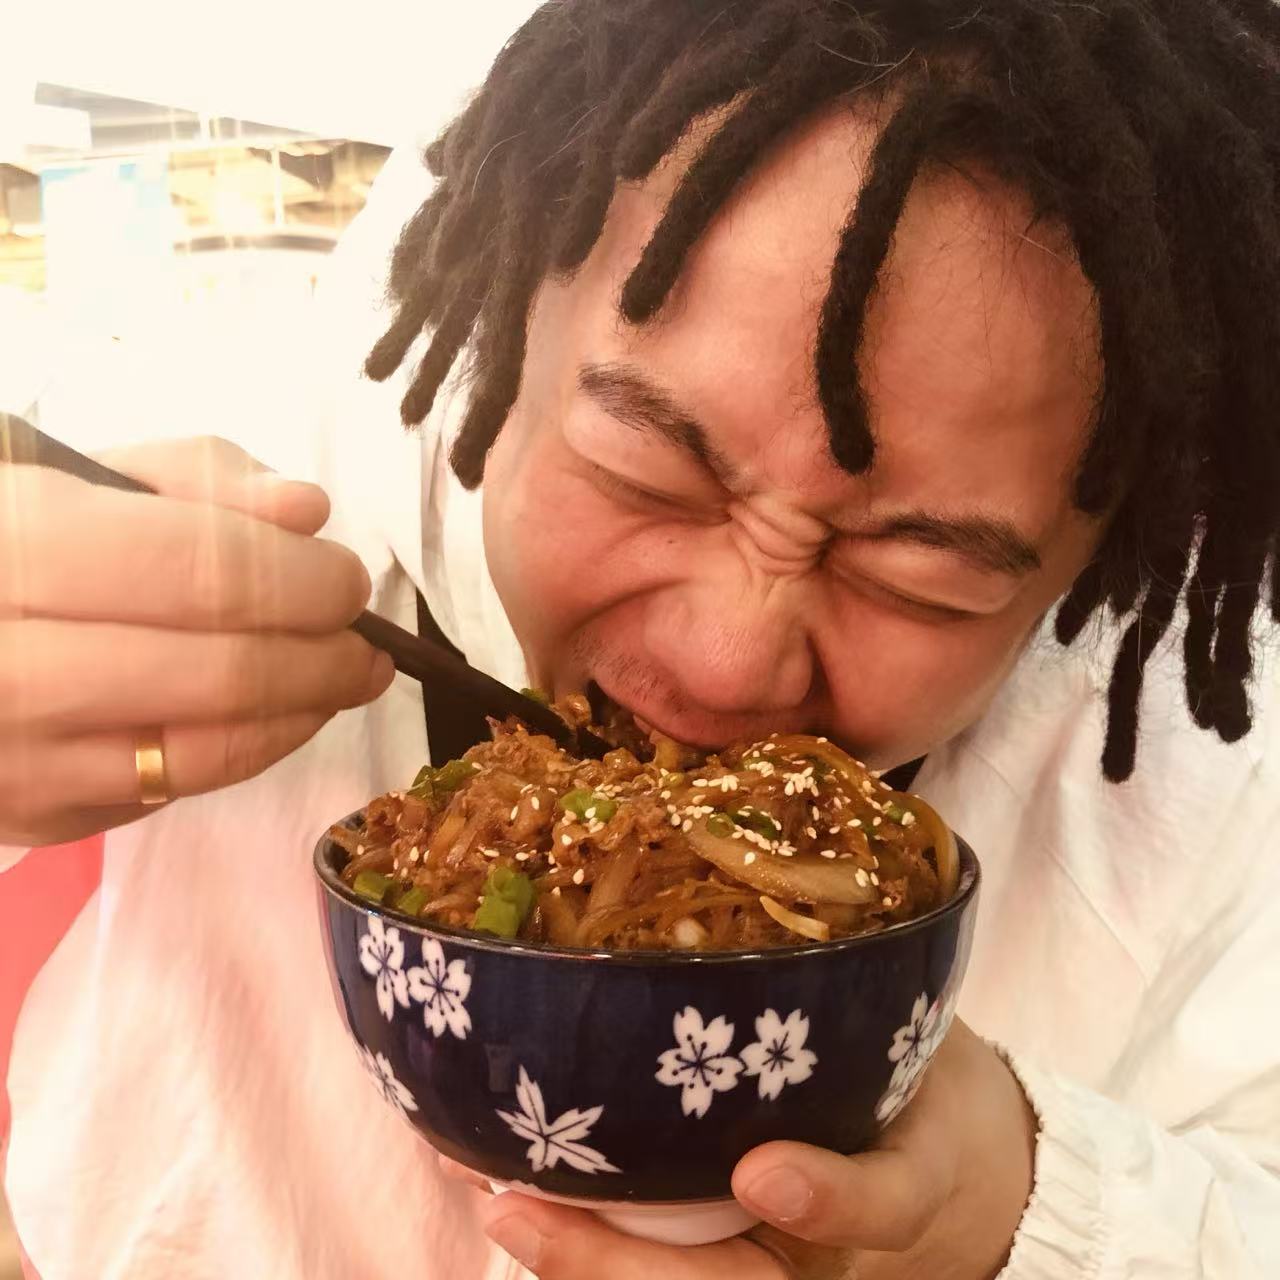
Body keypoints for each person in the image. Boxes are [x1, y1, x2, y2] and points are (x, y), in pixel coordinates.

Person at [3, 0, 1278, 1276]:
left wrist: (1025, 1211)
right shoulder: (238, 480)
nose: (727, 660)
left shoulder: (1207, 754)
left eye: (920, 578)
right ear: (507, 326)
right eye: (646, 470)